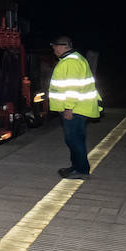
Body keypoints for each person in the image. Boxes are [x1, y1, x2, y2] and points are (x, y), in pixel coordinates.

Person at [48, 34, 102, 179]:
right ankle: (76, 167)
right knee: (76, 139)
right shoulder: (76, 58)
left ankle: (82, 171)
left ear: (62, 46)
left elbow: (72, 88)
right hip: (80, 107)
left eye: (54, 46)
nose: (53, 49)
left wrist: (68, 108)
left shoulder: (70, 62)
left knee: (74, 139)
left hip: (75, 109)